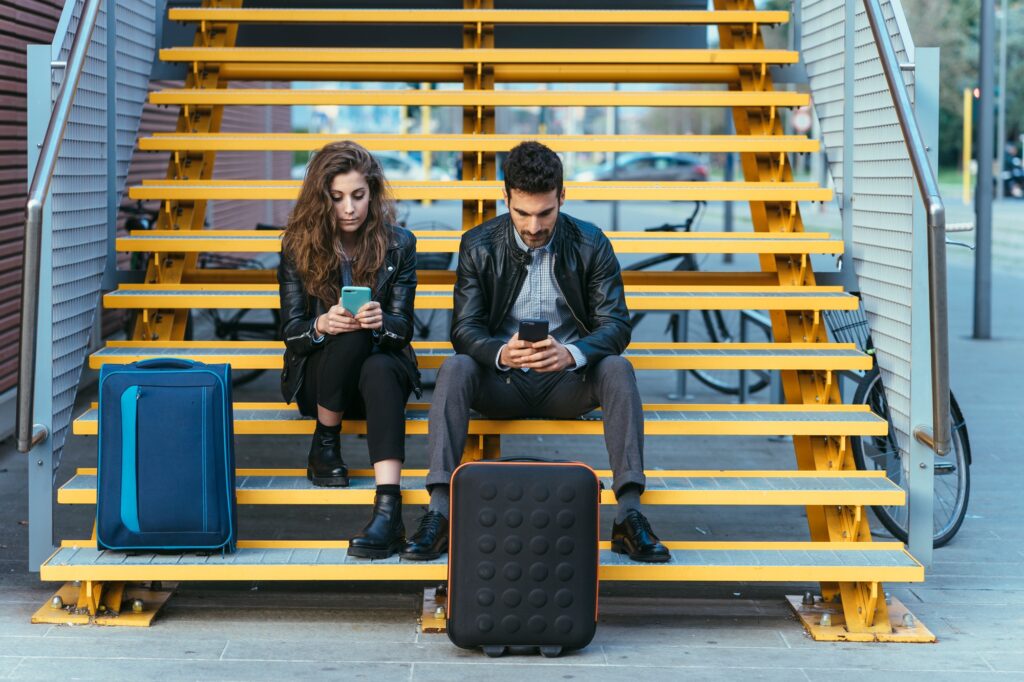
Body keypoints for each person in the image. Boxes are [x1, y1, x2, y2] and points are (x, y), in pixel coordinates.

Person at [402, 141, 669, 563]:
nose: (533, 225)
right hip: (501, 380)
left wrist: (572, 353)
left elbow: (616, 325)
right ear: (505, 197)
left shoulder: (591, 243)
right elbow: (464, 329)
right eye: (522, 212)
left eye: (545, 213)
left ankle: (629, 517)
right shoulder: (478, 244)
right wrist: (500, 353)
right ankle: (439, 515)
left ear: (562, 197)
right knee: (455, 368)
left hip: (567, 382)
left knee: (618, 368)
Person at [278, 140, 420, 559]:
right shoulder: (297, 246)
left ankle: (387, 509)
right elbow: (292, 332)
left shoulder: (399, 244)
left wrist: (381, 323)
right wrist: (321, 324)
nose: (349, 208)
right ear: (322, 200)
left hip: (377, 382)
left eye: (358, 196)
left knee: (375, 360)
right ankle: (325, 438)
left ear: (372, 193)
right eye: (337, 198)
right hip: (320, 381)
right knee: (347, 331)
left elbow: (402, 329)